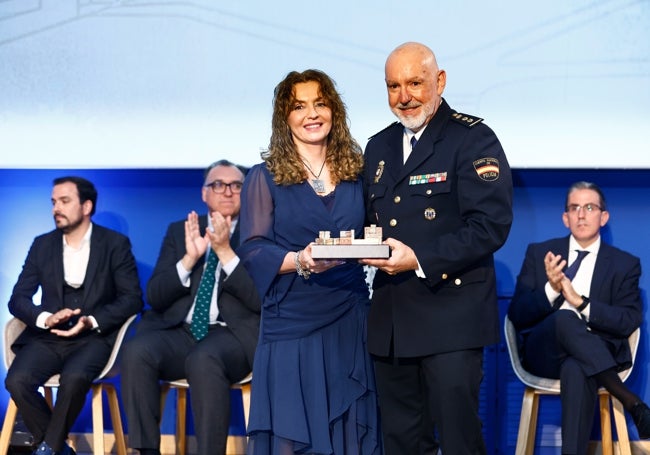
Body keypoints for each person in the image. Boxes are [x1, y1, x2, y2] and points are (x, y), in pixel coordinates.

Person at [360, 42, 513, 454]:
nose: (404, 96)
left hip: (451, 319)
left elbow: (490, 226)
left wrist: (420, 258)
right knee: (402, 441)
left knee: (460, 439)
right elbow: (370, 225)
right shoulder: (377, 147)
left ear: (439, 81)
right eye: (394, 86)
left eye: (414, 83)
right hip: (392, 322)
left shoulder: (473, 138)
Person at [237, 69, 382, 454]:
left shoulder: (357, 173)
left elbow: (376, 232)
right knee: (293, 437)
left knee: (348, 434)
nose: (312, 114)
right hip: (291, 327)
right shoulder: (263, 178)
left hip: (349, 321)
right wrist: (299, 260)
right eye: (299, 106)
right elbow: (252, 247)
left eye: (320, 103)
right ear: (285, 118)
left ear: (334, 110)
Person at [120, 160, 261, 455]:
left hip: (232, 335)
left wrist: (224, 251)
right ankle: (145, 450)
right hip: (182, 331)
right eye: (217, 185)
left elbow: (258, 300)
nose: (227, 192)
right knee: (138, 351)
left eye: (236, 185)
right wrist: (188, 259)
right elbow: (156, 296)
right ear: (204, 193)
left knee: (204, 357)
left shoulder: (257, 233)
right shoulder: (180, 231)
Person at [507, 181, 650, 454]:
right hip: (544, 354)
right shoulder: (540, 254)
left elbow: (628, 319)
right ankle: (632, 402)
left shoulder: (624, 264)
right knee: (564, 319)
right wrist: (553, 289)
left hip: (593, 357)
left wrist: (580, 302)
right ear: (565, 218)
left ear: (603, 216)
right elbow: (517, 313)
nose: (581, 214)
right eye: (574, 208)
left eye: (589, 207)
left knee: (576, 367)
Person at [5, 176, 143, 455]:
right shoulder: (42, 244)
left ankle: (48, 449)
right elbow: (18, 299)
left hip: (93, 337)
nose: (56, 208)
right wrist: (45, 318)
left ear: (86, 206)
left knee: (76, 377)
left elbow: (132, 299)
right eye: (54, 202)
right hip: (48, 337)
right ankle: (57, 449)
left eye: (65, 201)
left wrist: (90, 321)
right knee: (16, 380)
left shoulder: (114, 244)